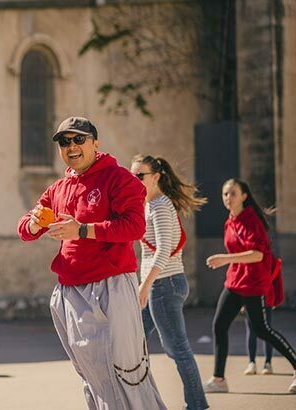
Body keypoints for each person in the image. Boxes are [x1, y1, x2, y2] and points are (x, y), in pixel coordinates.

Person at [18, 116, 166, 409]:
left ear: (95, 143)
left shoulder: (120, 178)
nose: (71, 146)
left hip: (111, 285)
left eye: (79, 139)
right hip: (70, 291)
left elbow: (135, 227)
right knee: (93, 375)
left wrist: (84, 230)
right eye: (64, 141)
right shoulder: (58, 188)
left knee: (127, 372)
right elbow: (25, 229)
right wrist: (34, 224)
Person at [130, 154, 209, 410]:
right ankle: (137, 400)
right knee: (133, 342)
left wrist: (145, 285)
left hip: (165, 285)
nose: (135, 179)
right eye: (132, 175)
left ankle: (196, 404)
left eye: (139, 175)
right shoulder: (147, 205)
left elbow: (164, 249)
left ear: (156, 177)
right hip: (159, 285)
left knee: (177, 348)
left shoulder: (161, 205)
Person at [203, 178, 296, 394]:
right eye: (225, 194)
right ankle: (219, 380)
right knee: (219, 325)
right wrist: (229, 263)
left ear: (244, 196)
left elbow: (257, 255)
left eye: (233, 193)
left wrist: (225, 259)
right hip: (235, 282)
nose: (228, 197)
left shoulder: (251, 220)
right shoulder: (230, 221)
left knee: (262, 330)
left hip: (253, 284)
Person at [243, 305, 274, 375]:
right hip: (249, 299)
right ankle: (251, 363)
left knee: (266, 330)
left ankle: (268, 363)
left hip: (265, 299)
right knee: (251, 330)